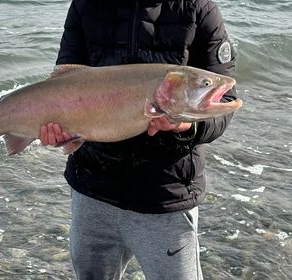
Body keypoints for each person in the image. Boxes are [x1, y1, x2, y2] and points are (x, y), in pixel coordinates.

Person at [40, 0, 237, 279]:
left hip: (165, 196)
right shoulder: (85, 5)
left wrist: (185, 126)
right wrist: (63, 132)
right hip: (93, 190)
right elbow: (66, 83)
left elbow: (225, 101)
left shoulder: (200, 10)